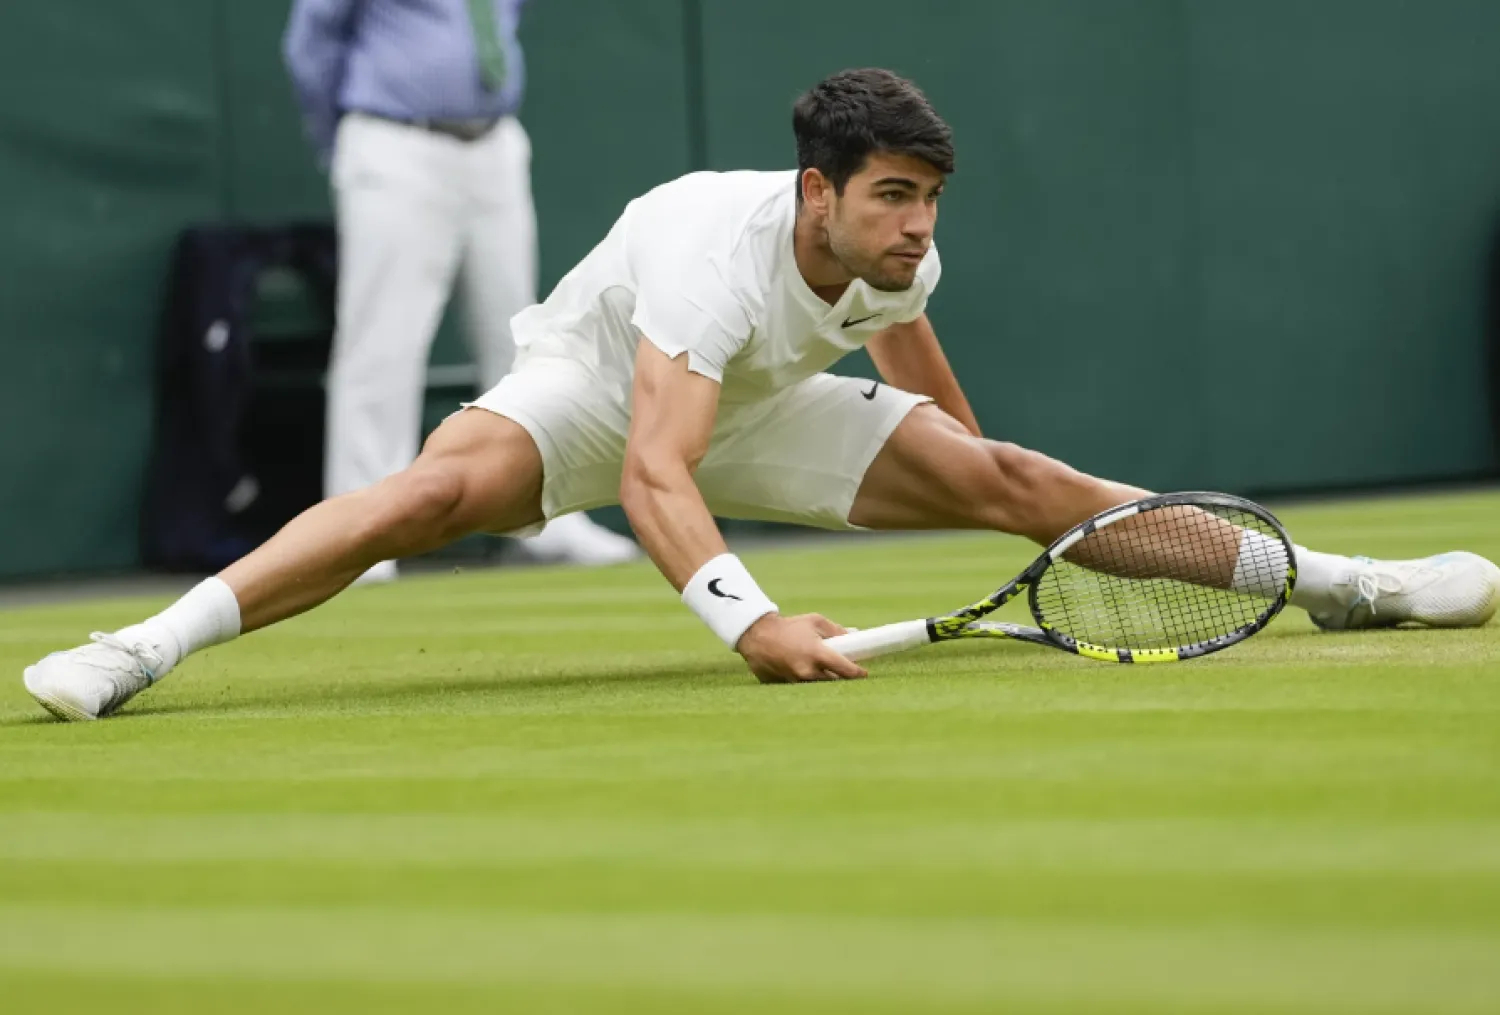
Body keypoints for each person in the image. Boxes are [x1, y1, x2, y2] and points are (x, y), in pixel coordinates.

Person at [24, 68, 1500, 720]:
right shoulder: (709, 248)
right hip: (598, 397)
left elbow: (932, 389)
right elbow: (659, 472)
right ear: (819, 190)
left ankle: (1345, 581)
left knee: (1030, 477)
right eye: (894, 197)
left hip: (753, 407)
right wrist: (752, 620)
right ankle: (139, 647)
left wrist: (987, 484)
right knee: (416, 494)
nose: (919, 225)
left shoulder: (901, 250)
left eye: (929, 199)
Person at [282, 0, 639, 578]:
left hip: (495, 144)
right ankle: (362, 537)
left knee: (525, 340)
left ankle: (547, 515)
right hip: (395, 142)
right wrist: (347, 140)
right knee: (381, 347)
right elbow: (312, 44)